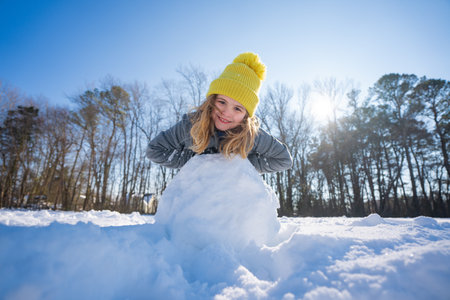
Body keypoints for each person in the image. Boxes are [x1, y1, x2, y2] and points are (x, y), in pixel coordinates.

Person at [146, 52, 292, 173]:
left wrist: (242, 165)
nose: (226, 113)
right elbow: (154, 150)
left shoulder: (252, 136)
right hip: (196, 191)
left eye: (237, 108)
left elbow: (284, 160)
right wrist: (196, 161)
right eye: (222, 102)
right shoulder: (191, 125)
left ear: (246, 116)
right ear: (212, 100)